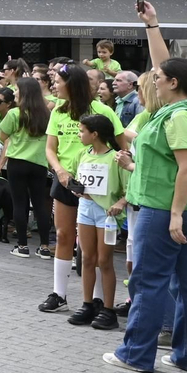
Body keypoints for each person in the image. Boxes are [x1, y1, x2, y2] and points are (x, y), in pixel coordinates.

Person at [106, 2, 187, 373]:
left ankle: (135, 354)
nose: (153, 79)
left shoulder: (180, 115)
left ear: (173, 84)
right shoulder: (175, 107)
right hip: (181, 209)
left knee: (149, 282)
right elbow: (163, 64)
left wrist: (174, 214)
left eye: (159, 78)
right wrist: (152, 24)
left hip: (167, 208)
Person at [42, 62, 124, 313]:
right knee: (64, 235)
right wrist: (60, 170)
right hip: (66, 180)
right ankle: (59, 294)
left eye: (58, 82)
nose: (54, 85)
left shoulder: (102, 110)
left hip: (99, 186)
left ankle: (97, 299)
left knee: (95, 248)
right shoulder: (58, 112)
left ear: (71, 84)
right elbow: (50, 148)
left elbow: (121, 144)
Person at [68, 113, 125, 330]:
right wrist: (75, 188)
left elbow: (130, 189)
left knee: (104, 260)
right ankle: (87, 303)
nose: (79, 135)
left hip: (106, 213)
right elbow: (74, 177)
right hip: (85, 208)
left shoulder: (116, 158)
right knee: (87, 258)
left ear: (95, 134)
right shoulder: (82, 154)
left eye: (82, 131)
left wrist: (120, 203)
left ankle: (108, 309)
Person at [0, 77, 54, 259]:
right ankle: (44, 246)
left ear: (24, 93)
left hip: (17, 162)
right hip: (39, 163)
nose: (15, 92)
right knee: (40, 204)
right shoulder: (47, 114)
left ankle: (22, 245)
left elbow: (2, 136)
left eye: (17, 89)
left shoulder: (15, 114)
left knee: (19, 203)